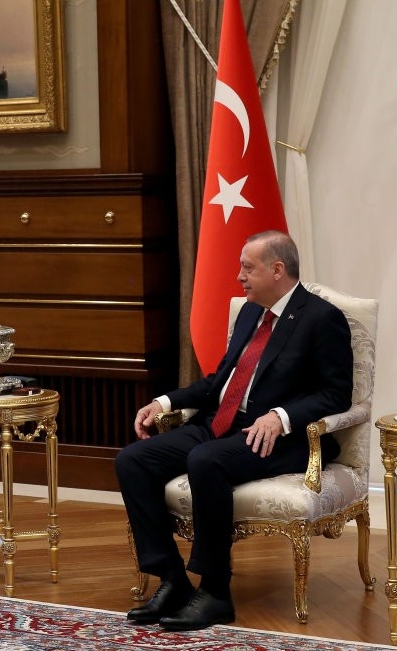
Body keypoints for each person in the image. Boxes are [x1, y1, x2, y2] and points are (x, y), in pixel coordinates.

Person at [115, 230, 353, 631]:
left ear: (277, 270)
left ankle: (215, 592)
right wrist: (166, 402)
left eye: (248, 267)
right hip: (220, 423)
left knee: (205, 461)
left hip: (279, 437)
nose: (239, 276)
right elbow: (219, 382)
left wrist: (281, 415)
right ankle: (172, 579)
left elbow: (337, 393)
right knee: (133, 460)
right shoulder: (249, 313)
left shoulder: (322, 318)